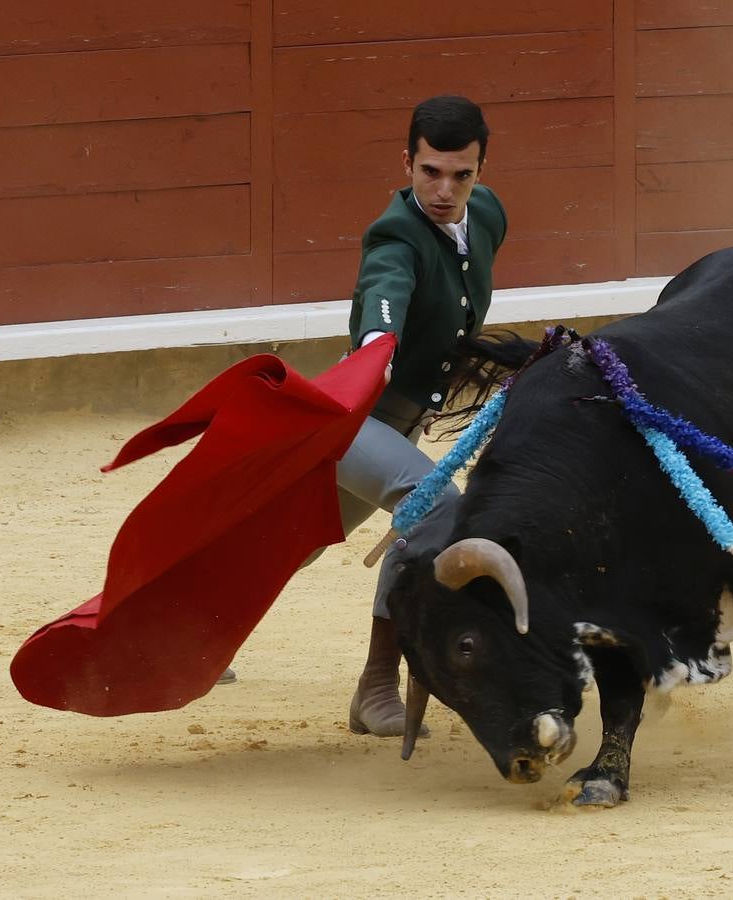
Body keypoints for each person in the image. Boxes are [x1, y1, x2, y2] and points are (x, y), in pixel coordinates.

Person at [221, 95, 507, 739]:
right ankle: (377, 684)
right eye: (430, 171)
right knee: (432, 505)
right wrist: (382, 350)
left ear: (481, 170)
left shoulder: (486, 216)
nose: (444, 189)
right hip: (351, 418)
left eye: (461, 175)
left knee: (297, 541)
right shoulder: (394, 237)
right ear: (407, 162)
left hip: (397, 424)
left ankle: (192, 631)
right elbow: (385, 304)